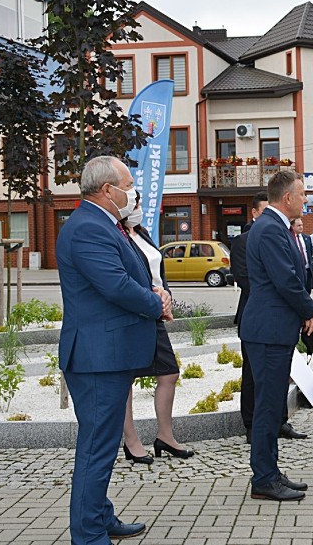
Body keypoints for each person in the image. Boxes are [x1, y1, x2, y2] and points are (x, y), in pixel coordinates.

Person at [56, 156, 171, 543]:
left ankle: (100, 516)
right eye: (128, 183)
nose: (133, 190)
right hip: (96, 358)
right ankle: (88, 535)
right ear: (108, 190)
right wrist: (157, 303)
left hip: (107, 355)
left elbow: (128, 276)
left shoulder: (105, 223)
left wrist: (155, 292)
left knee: (102, 446)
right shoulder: (88, 227)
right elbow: (116, 286)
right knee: (96, 448)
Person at [240, 170, 313, 501]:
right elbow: (286, 280)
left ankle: (270, 471)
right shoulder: (270, 229)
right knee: (268, 407)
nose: (305, 201)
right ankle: (264, 479)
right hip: (268, 330)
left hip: (273, 329)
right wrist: (309, 309)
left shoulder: (275, 227)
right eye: (302, 195)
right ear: (287, 198)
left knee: (271, 405)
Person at [121, 193, 193, 464]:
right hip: (134, 313)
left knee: (169, 372)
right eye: (135, 203)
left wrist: (167, 297)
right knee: (125, 379)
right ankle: (131, 441)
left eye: (139, 203)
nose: (138, 208)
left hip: (155, 313)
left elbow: (158, 272)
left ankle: (165, 436)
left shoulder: (143, 233)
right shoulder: (118, 236)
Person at [292, 217, 313, 293]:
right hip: (298, 271)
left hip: (307, 270)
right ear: (293, 227)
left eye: (302, 225)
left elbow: (309, 252)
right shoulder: (291, 239)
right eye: (298, 225)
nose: (301, 227)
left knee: (308, 292)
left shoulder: (307, 238)